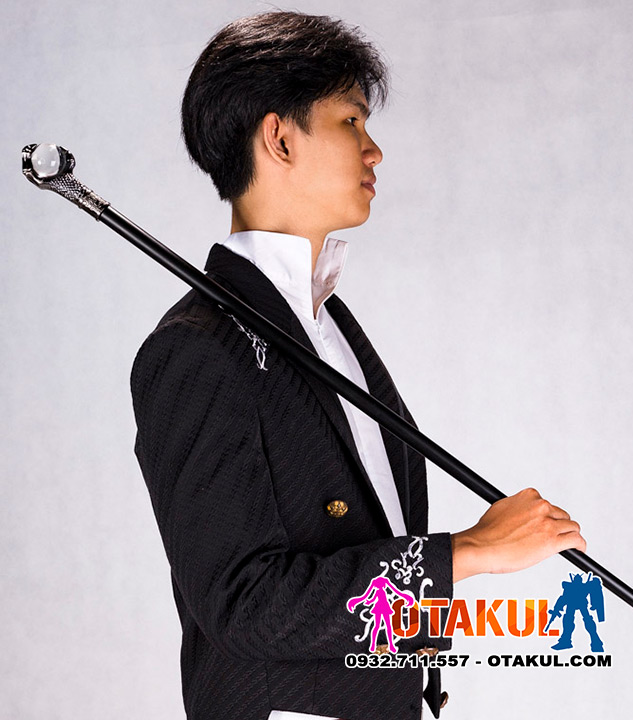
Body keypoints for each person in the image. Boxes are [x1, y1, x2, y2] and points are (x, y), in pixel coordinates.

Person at [130, 11, 586, 720]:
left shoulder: (329, 324)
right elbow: (244, 604)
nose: (374, 151)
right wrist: (464, 553)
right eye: (350, 121)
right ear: (280, 138)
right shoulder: (195, 348)